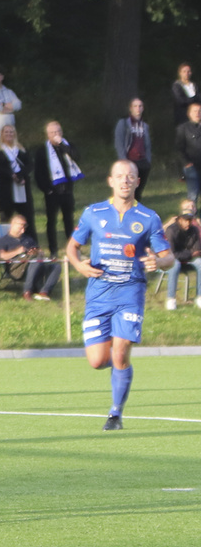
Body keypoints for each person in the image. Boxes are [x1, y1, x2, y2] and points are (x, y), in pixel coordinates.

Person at [66, 160, 171, 431]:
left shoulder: (149, 218)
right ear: (110, 181)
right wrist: (79, 266)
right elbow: (72, 248)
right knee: (97, 361)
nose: (125, 180)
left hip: (130, 292)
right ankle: (117, 363)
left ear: (138, 182)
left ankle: (115, 413)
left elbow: (168, 257)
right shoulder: (93, 213)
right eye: (120, 176)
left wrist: (158, 263)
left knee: (121, 351)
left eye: (131, 176)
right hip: (99, 293)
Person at [34, 121, 83, 259]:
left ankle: (73, 249)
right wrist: (46, 189)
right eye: (53, 132)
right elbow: (39, 173)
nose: (56, 135)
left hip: (67, 190)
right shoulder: (42, 150)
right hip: (52, 191)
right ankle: (53, 250)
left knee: (69, 220)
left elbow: (77, 157)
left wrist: (63, 145)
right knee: (52, 221)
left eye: (58, 131)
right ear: (48, 135)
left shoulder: (67, 145)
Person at [0, 214, 59, 300]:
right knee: (35, 261)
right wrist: (17, 251)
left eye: (24, 228)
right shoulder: (2, 241)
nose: (22, 231)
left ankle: (44, 291)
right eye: (20, 228)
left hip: (35, 264)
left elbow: (40, 251)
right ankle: (27, 291)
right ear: (13, 225)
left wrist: (36, 252)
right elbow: (1, 256)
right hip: (16, 268)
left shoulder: (28, 239)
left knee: (56, 266)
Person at [0, 124, 36, 235]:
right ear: (2, 134)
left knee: (27, 216)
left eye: (11, 132)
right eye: (6, 132)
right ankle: (6, 244)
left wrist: (20, 175)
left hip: (21, 186)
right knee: (6, 217)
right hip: (5, 188)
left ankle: (30, 243)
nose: (9, 134)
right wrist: (11, 175)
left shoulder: (21, 149)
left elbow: (29, 164)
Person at [161, 199, 201, 310]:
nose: (188, 223)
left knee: (200, 263)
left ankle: (199, 297)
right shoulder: (172, 230)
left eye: (190, 220)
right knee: (175, 264)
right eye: (185, 220)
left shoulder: (194, 230)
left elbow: (197, 249)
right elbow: (172, 254)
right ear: (179, 219)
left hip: (186, 258)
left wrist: (191, 254)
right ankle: (171, 299)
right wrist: (190, 253)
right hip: (168, 260)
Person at [114, 98, 152, 201]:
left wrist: (148, 160)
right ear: (130, 108)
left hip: (143, 161)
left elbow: (147, 144)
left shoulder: (144, 125)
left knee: (139, 189)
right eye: (135, 106)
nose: (138, 108)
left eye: (140, 106)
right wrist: (124, 161)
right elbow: (119, 143)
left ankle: (137, 209)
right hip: (130, 160)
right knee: (130, 189)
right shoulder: (124, 124)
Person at [176, 101, 201, 201]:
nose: (197, 113)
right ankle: (191, 215)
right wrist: (186, 163)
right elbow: (179, 148)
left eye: (199, 111)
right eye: (194, 111)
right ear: (189, 113)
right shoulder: (183, 129)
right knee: (193, 194)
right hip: (192, 167)